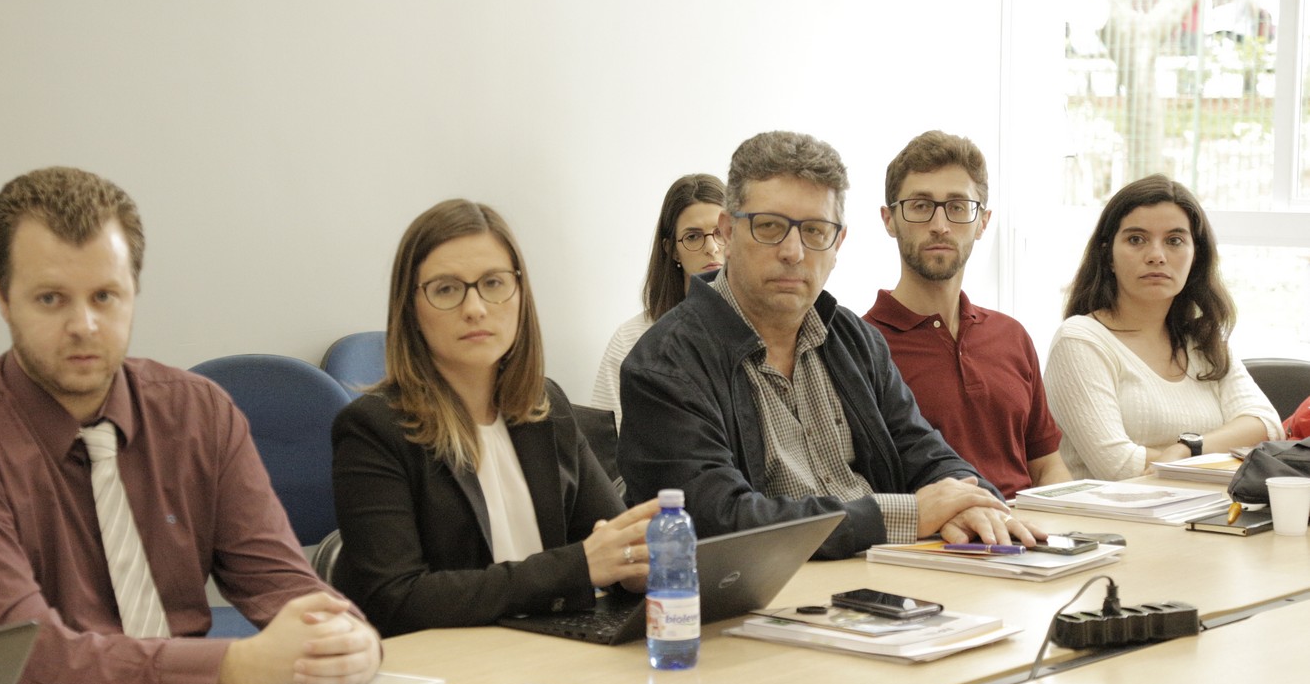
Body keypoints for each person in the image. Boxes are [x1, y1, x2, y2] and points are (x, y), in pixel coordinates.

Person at [0, 167, 381, 684]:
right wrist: (241, 666)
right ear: (3, 298)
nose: (84, 325)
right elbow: (29, 664)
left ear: (133, 291)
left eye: (104, 296)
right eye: (51, 299)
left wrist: (344, 639)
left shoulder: (199, 413)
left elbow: (280, 581)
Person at [617, 130, 1038, 561]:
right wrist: (909, 515)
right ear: (727, 232)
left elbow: (925, 453)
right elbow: (717, 520)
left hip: (884, 577)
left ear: (838, 243)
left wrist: (973, 504)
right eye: (769, 227)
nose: (793, 252)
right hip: (769, 592)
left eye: (815, 231)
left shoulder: (855, 341)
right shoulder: (665, 364)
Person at [330, 198, 658, 638]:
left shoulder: (546, 406)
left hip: (553, 652)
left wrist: (635, 567)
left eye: (493, 283)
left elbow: (609, 543)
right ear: (410, 309)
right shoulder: (372, 429)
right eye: (446, 289)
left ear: (520, 295)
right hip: (449, 666)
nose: (475, 308)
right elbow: (395, 599)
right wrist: (576, 567)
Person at [863, 130, 1069, 498]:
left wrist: (1063, 521)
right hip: (936, 531)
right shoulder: (861, 348)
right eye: (920, 206)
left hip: (1027, 527)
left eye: (958, 207)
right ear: (889, 219)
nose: (940, 225)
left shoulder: (1012, 336)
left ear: (982, 222)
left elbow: (1047, 465)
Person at [1044, 174, 1282, 480]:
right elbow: (1118, 466)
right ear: (1108, 255)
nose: (1156, 256)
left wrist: (1187, 449)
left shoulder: (1202, 340)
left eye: (1174, 241)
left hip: (1208, 504)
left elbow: (1266, 425)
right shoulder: (1080, 340)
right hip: (1113, 510)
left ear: (1196, 256)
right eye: (1136, 239)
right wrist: (1226, 461)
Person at [591, 173, 726, 425]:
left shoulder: (767, 330)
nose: (712, 247)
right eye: (693, 236)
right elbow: (606, 441)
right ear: (672, 250)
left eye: (721, 232)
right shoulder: (632, 339)